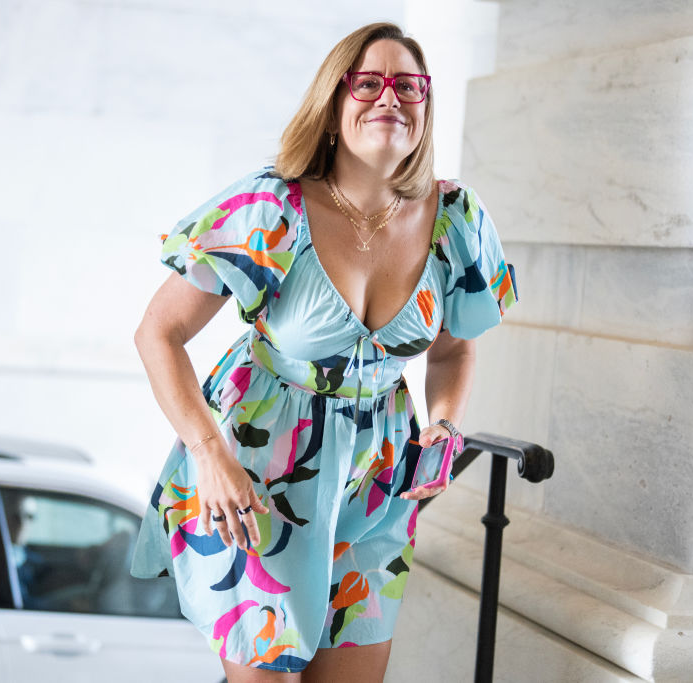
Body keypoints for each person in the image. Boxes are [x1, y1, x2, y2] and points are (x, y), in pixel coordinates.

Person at [129, 21, 517, 682]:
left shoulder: (457, 219)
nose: (390, 97)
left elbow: (452, 351)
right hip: (256, 478)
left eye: (409, 85)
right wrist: (210, 454)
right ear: (334, 102)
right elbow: (157, 333)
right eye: (369, 83)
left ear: (426, 106)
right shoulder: (271, 207)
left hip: (379, 484)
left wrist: (445, 423)